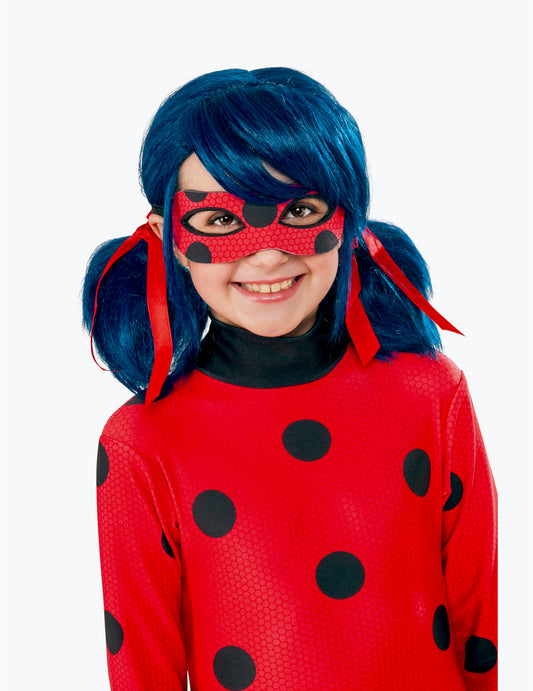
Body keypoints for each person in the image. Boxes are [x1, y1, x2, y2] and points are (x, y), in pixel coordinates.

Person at [83, 67, 497, 690]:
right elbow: (142, 667)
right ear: (169, 237)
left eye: (300, 210)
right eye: (220, 222)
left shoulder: (432, 396)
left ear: (348, 222)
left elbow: (480, 619)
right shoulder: (142, 443)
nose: (269, 254)